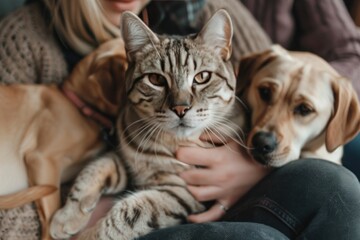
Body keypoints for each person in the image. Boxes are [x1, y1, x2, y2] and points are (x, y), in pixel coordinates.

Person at [0, 0, 359, 239]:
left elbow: (269, 75)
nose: (180, 104)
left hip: (237, 174)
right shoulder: (24, 39)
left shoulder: (198, 8)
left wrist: (254, 166)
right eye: (156, 80)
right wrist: (87, 215)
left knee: (337, 188)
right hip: (113, 209)